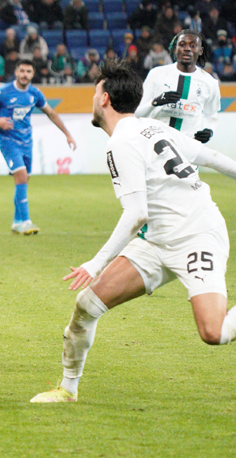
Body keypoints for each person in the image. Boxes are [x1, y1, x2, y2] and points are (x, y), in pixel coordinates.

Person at [30, 60, 236, 404]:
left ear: (106, 99)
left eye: (95, 92)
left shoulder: (121, 142)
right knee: (87, 305)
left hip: (196, 235)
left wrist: (95, 263)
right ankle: (67, 389)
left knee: (213, 333)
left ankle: (67, 388)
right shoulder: (152, 128)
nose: (93, 99)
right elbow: (212, 157)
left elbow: (136, 213)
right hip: (157, 240)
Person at [0, 59, 76, 234]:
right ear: (16, 72)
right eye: (22, 71)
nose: (25, 74)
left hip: (27, 142)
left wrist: (67, 134)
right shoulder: (3, 92)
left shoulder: (35, 94)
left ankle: (16, 222)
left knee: (23, 180)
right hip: (8, 141)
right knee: (22, 176)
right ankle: (26, 222)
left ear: (33, 74)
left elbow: (51, 113)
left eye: (28, 71)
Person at [135, 30, 220, 144]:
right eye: (182, 44)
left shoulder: (210, 83)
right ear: (175, 49)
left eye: (193, 45)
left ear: (200, 51)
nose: (187, 49)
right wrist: (155, 102)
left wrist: (209, 130)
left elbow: (211, 114)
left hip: (189, 147)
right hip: (156, 145)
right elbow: (136, 114)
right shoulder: (156, 74)